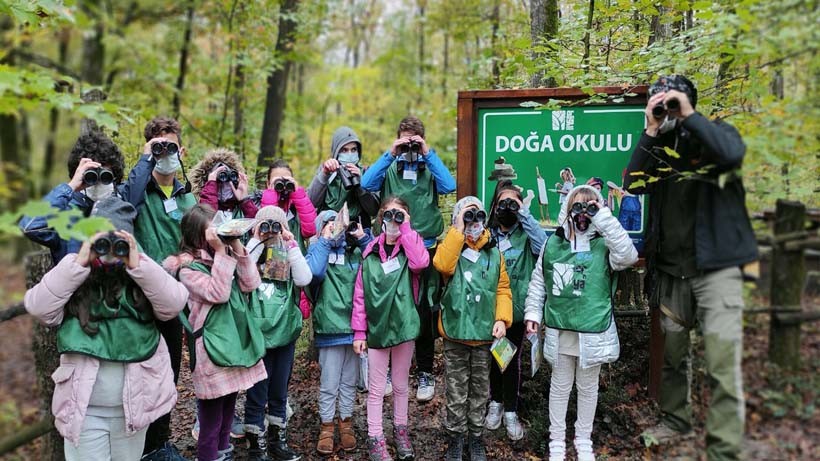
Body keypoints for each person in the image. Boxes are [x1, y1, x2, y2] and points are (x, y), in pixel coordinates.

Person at [625, 75, 757, 461]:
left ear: (688, 103)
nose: (665, 109)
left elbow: (732, 155)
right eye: (659, 104)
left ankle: (724, 447)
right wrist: (651, 131)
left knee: (721, 360)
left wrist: (690, 116)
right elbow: (633, 184)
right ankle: (674, 419)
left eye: (670, 103)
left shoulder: (715, 135)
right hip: (672, 270)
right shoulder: (659, 148)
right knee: (673, 354)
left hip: (716, 268)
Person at [23, 196, 189, 461]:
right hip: (85, 410)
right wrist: (78, 262)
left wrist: (140, 264)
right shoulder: (75, 278)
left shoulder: (142, 278)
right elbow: (38, 306)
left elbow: (175, 302)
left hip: (133, 409)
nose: (110, 251)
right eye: (102, 242)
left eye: (118, 244)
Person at [524, 185, 638, 461]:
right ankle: (557, 440)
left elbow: (628, 256)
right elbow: (540, 280)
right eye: (578, 207)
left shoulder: (604, 245)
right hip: (561, 329)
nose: (583, 213)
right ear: (567, 209)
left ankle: (583, 438)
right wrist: (533, 314)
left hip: (592, 331)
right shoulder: (554, 244)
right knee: (560, 386)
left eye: (590, 207)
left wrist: (602, 217)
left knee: (588, 388)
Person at [360, 116, 456, 403]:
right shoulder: (391, 166)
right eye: (405, 140)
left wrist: (427, 153)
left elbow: (449, 185)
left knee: (424, 310)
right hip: (392, 247)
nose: (409, 146)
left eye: (414, 140)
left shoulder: (429, 167)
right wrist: (393, 152)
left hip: (424, 245)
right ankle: (388, 371)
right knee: (390, 309)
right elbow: (366, 183)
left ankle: (425, 370)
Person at [117, 116, 196, 461]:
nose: (167, 153)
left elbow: (198, 241)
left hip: (175, 300)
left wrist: (186, 256)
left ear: (182, 151)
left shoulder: (185, 196)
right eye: (159, 146)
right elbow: (124, 206)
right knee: (139, 375)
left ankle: (159, 444)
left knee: (169, 375)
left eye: (172, 146)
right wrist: (146, 158)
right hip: (139, 299)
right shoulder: (139, 191)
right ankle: (140, 446)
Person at [164, 204, 267, 461]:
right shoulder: (186, 268)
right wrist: (222, 252)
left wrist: (237, 247)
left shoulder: (222, 256)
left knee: (229, 408)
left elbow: (251, 283)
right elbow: (218, 294)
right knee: (210, 417)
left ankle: (224, 453)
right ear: (198, 235)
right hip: (210, 347)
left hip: (233, 341)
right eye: (213, 231)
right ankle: (209, 456)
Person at [434, 196, 512, 461]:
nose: (474, 223)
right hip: (456, 333)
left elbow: (503, 289)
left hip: (483, 335)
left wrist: (502, 319)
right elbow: (442, 265)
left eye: (478, 216)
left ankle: (475, 437)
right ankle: (455, 437)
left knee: (480, 392)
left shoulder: (494, 253)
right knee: (456, 392)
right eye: (468, 217)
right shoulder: (451, 247)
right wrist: (457, 228)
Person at [351, 196, 429, 461]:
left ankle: (400, 429)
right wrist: (359, 333)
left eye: (399, 215)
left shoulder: (410, 249)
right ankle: (375, 436)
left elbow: (421, 263)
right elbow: (360, 296)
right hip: (377, 330)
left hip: (404, 328)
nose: (393, 221)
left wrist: (406, 229)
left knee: (400, 385)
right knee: (375, 389)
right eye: (389, 215)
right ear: (380, 220)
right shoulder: (370, 253)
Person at [242, 205, 312, 461]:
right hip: (257, 333)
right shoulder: (250, 250)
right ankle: (255, 444)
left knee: (279, 387)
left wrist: (290, 242)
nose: (271, 231)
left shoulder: (288, 252)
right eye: (266, 225)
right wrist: (256, 241)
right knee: (257, 388)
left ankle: (276, 440)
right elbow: (240, 274)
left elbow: (305, 278)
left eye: (276, 226)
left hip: (284, 331)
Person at [305, 210, 373, 455]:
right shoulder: (317, 251)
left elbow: (378, 261)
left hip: (355, 329)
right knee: (329, 382)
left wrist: (362, 238)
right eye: (330, 224)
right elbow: (312, 273)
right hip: (330, 327)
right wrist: (324, 240)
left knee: (348, 382)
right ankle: (326, 426)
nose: (337, 228)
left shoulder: (355, 252)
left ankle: (345, 422)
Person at [484, 181, 547, 441]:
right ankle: (496, 403)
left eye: (512, 203)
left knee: (508, 360)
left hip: (518, 311)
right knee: (495, 359)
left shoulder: (526, 234)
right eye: (503, 203)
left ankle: (508, 408)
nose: (507, 208)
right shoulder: (488, 234)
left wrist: (523, 212)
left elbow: (544, 246)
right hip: (491, 310)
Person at [19, 131, 126, 263]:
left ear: (115, 177)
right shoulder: (65, 215)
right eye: (91, 175)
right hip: (75, 282)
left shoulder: (124, 210)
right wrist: (71, 187)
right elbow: (30, 226)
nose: (98, 183)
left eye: (106, 176)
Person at [306, 126, 380, 228]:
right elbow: (311, 202)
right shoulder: (327, 170)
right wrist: (325, 174)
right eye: (344, 150)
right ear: (336, 151)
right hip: (329, 227)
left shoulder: (366, 172)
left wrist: (360, 184)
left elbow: (373, 210)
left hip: (358, 228)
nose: (349, 154)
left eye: (353, 150)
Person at [261, 159, 318, 252]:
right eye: (277, 181)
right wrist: (271, 194)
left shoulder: (297, 204)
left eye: (287, 180)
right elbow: (266, 231)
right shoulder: (259, 202)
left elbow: (311, 230)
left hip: (296, 258)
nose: (283, 186)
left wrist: (297, 193)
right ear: (268, 183)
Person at [190, 148, 258, 219]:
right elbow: (205, 222)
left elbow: (255, 226)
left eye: (231, 176)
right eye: (220, 176)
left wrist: (245, 201)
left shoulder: (240, 209)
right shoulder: (197, 208)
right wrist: (211, 186)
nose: (224, 182)